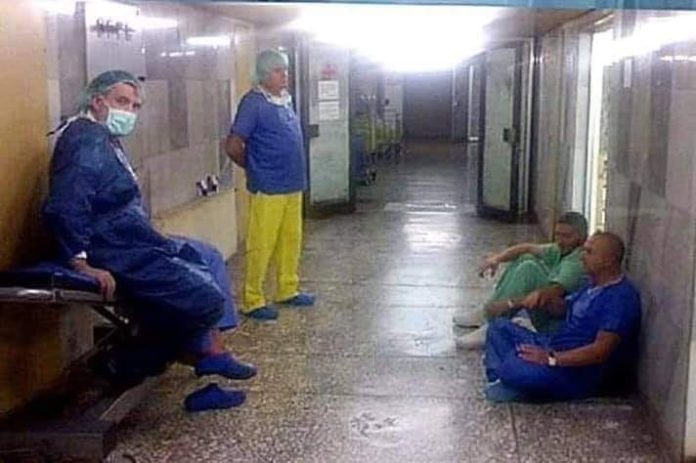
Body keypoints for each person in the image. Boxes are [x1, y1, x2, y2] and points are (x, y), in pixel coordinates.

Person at [43, 70, 254, 411]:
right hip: (111, 249)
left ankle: (212, 351)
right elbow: (67, 205)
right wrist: (80, 261)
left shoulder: (104, 137)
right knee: (204, 299)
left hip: (132, 239)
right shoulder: (85, 140)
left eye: (135, 105)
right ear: (97, 101)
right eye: (121, 102)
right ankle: (123, 363)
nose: (129, 111)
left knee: (209, 256)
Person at [483, 232, 641, 402]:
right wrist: (536, 299)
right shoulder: (591, 285)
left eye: (589, 252)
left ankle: (513, 379)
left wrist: (551, 359)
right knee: (499, 327)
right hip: (555, 345)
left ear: (608, 260)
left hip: (578, 371)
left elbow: (600, 351)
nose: (582, 256)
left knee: (517, 363)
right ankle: (508, 381)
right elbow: (564, 309)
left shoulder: (621, 298)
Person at [226, 49, 315, 321]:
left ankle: (288, 288)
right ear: (264, 74)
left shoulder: (285, 100)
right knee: (262, 243)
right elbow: (233, 145)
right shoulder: (253, 102)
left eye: (285, 70)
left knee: (291, 240)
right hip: (269, 186)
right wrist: (254, 167)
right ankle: (253, 299)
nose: (284, 75)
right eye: (278, 71)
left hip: (293, 184)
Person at [454, 212, 589, 349]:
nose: (560, 240)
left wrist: (509, 303)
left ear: (582, 237)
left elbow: (550, 293)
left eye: (566, 236)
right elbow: (527, 248)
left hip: (556, 318)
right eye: (558, 235)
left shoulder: (577, 261)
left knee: (529, 269)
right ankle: (487, 312)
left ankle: (493, 324)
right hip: (546, 307)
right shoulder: (562, 249)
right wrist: (497, 259)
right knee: (526, 257)